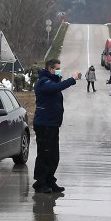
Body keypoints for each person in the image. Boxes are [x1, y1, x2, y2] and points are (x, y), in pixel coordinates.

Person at [32, 58, 80, 194]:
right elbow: (55, 88)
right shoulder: (43, 82)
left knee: (54, 156)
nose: (59, 71)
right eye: (57, 69)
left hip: (52, 124)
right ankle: (40, 182)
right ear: (50, 69)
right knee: (44, 155)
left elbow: (56, 87)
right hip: (44, 124)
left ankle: (49, 180)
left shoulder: (52, 81)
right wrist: (72, 79)